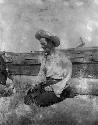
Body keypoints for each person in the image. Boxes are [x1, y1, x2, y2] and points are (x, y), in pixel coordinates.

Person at [24, 29, 72, 107]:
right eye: (41, 44)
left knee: (38, 101)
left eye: (43, 44)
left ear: (50, 43)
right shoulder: (45, 58)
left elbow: (67, 77)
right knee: (28, 96)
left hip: (61, 87)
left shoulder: (62, 58)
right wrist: (35, 84)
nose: (42, 46)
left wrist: (55, 87)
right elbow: (41, 73)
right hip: (48, 85)